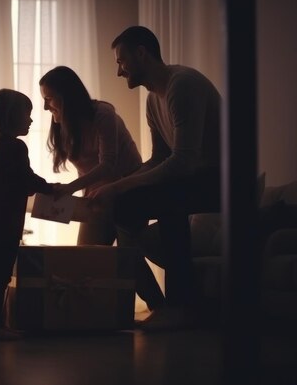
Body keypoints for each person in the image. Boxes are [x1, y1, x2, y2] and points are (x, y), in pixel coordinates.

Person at [93, 26, 222, 330]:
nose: (119, 72)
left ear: (141, 54)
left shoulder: (182, 85)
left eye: (121, 62)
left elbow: (182, 163)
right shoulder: (153, 100)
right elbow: (158, 159)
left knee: (168, 199)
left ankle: (179, 306)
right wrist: (113, 190)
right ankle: (163, 303)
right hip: (190, 179)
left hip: (221, 180)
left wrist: (119, 185)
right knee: (122, 207)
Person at [0, 89, 54, 341]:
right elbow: (24, 179)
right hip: (3, 221)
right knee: (0, 274)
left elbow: (16, 180)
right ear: (11, 116)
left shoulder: (0, 145)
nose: (31, 120)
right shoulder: (14, 147)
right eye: (26, 114)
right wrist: (51, 188)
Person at [40, 65, 142, 245]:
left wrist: (70, 188)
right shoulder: (64, 124)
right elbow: (85, 169)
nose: (45, 107)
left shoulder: (103, 114)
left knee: (128, 262)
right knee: (86, 259)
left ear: (66, 97)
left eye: (49, 99)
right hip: (97, 198)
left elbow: (108, 164)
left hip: (128, 192)